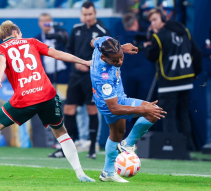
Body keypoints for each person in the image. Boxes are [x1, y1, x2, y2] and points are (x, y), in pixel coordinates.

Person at [0, 20, 95, 182]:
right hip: (46, 93)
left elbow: (0, 62)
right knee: (61, 132)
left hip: (25, 96)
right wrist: (84, 62)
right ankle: (81, 174)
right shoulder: (31, 42)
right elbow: (57, 54)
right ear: (16, 33)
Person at [90, 36, 166, 182]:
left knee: (117, 133)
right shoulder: (103, 76)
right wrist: (143, 110)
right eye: (115, 60)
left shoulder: (104, 43)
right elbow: (114, 108)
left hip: (114, 98)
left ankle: (107, 173)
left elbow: (93, 41)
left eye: (121, 57)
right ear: (103, 57)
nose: (119, 62)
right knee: (152, 111)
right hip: (112, 103)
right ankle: (128, 144)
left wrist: (121, 48)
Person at [49, 1, 110, 160]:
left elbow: (108, 55)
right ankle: (66, 148)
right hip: (76, 76)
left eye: (90, 14)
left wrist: (91, 65)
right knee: (69, 109)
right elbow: (68, 51)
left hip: (92, 76)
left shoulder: (102, 31)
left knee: (91, 109)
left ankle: (92, 148)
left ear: (95, 13)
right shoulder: (76, 29)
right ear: (81, 15)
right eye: (85, 14)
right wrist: (77, 62)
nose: (88, 17)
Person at [144, 8, 202, 149]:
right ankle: (187, 147)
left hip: (168, 82)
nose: (152, 23)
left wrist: (148, 46)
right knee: (183, 115)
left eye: (155, 19)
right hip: (186, 80)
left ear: (163, 19)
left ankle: (171, 147)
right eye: (151, 21)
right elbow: (197, 53)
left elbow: (151, 56)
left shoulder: (159, 36)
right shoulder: (184, 31)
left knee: (167, 116)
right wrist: (195, 73)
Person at [120, 12, 156, 134]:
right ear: (135, 23)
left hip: (126, 81)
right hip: (145, 79)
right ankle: (144, 141)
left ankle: (126, 140)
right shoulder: (147, 38)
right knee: (146, 109)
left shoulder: (119, 41)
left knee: (127, 110)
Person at [35, 13, 69, 84]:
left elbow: (68, 47)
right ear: (39, 23)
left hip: (62, 73)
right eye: (43, 21)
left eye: (47, 20)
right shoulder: (37, 39)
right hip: (46, 75)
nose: (46, 23)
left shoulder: (61, 33)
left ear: (51, 21)